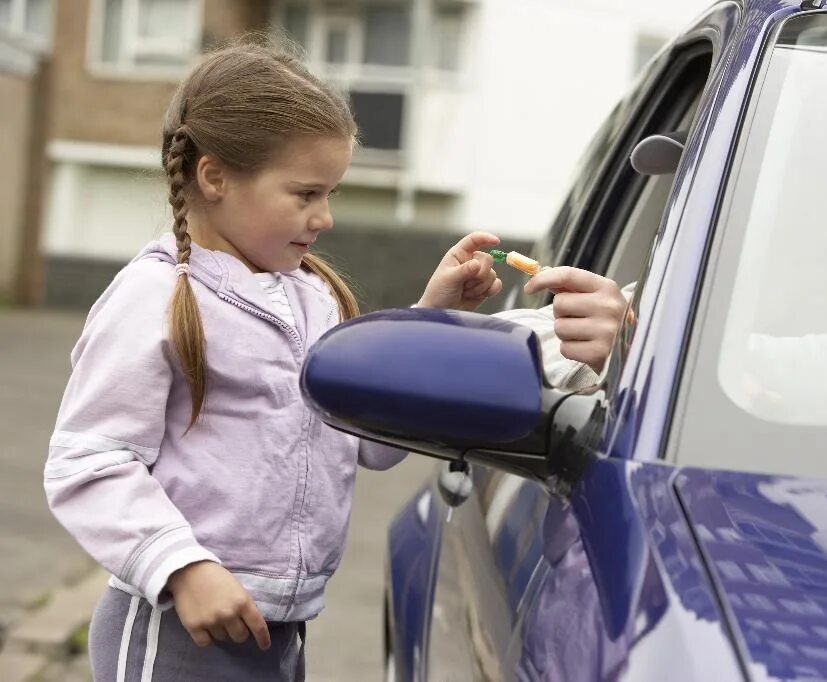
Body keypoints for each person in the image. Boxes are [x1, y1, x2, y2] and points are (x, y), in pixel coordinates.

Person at [42, 39, 516, 681]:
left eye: (331, 193)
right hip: (181, 631)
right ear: (214, 177)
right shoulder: (156, 296)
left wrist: (427, 320)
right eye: (305, 193)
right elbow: (89, 461)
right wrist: (184, 567)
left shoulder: (314, 296)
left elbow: (369, 441)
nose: (324, 217)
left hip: (279, 630)